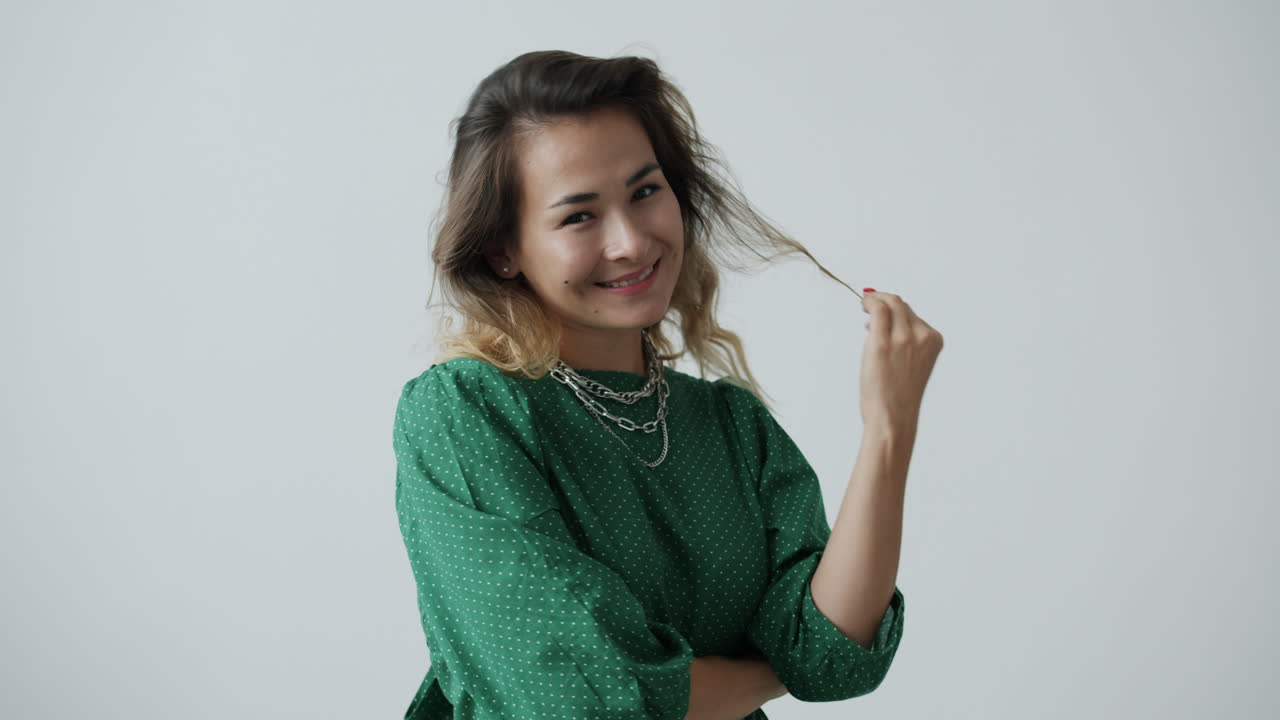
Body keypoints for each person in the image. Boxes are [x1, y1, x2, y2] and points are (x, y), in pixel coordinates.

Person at [392, 49, 942, 720]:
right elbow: (579, 700)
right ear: (503, 250)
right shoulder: (466, 414)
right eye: (579, 216)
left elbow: (827, 654)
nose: (630, 241)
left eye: (645, 191)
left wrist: (890, 429)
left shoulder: (733, 427)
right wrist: (767, 676)